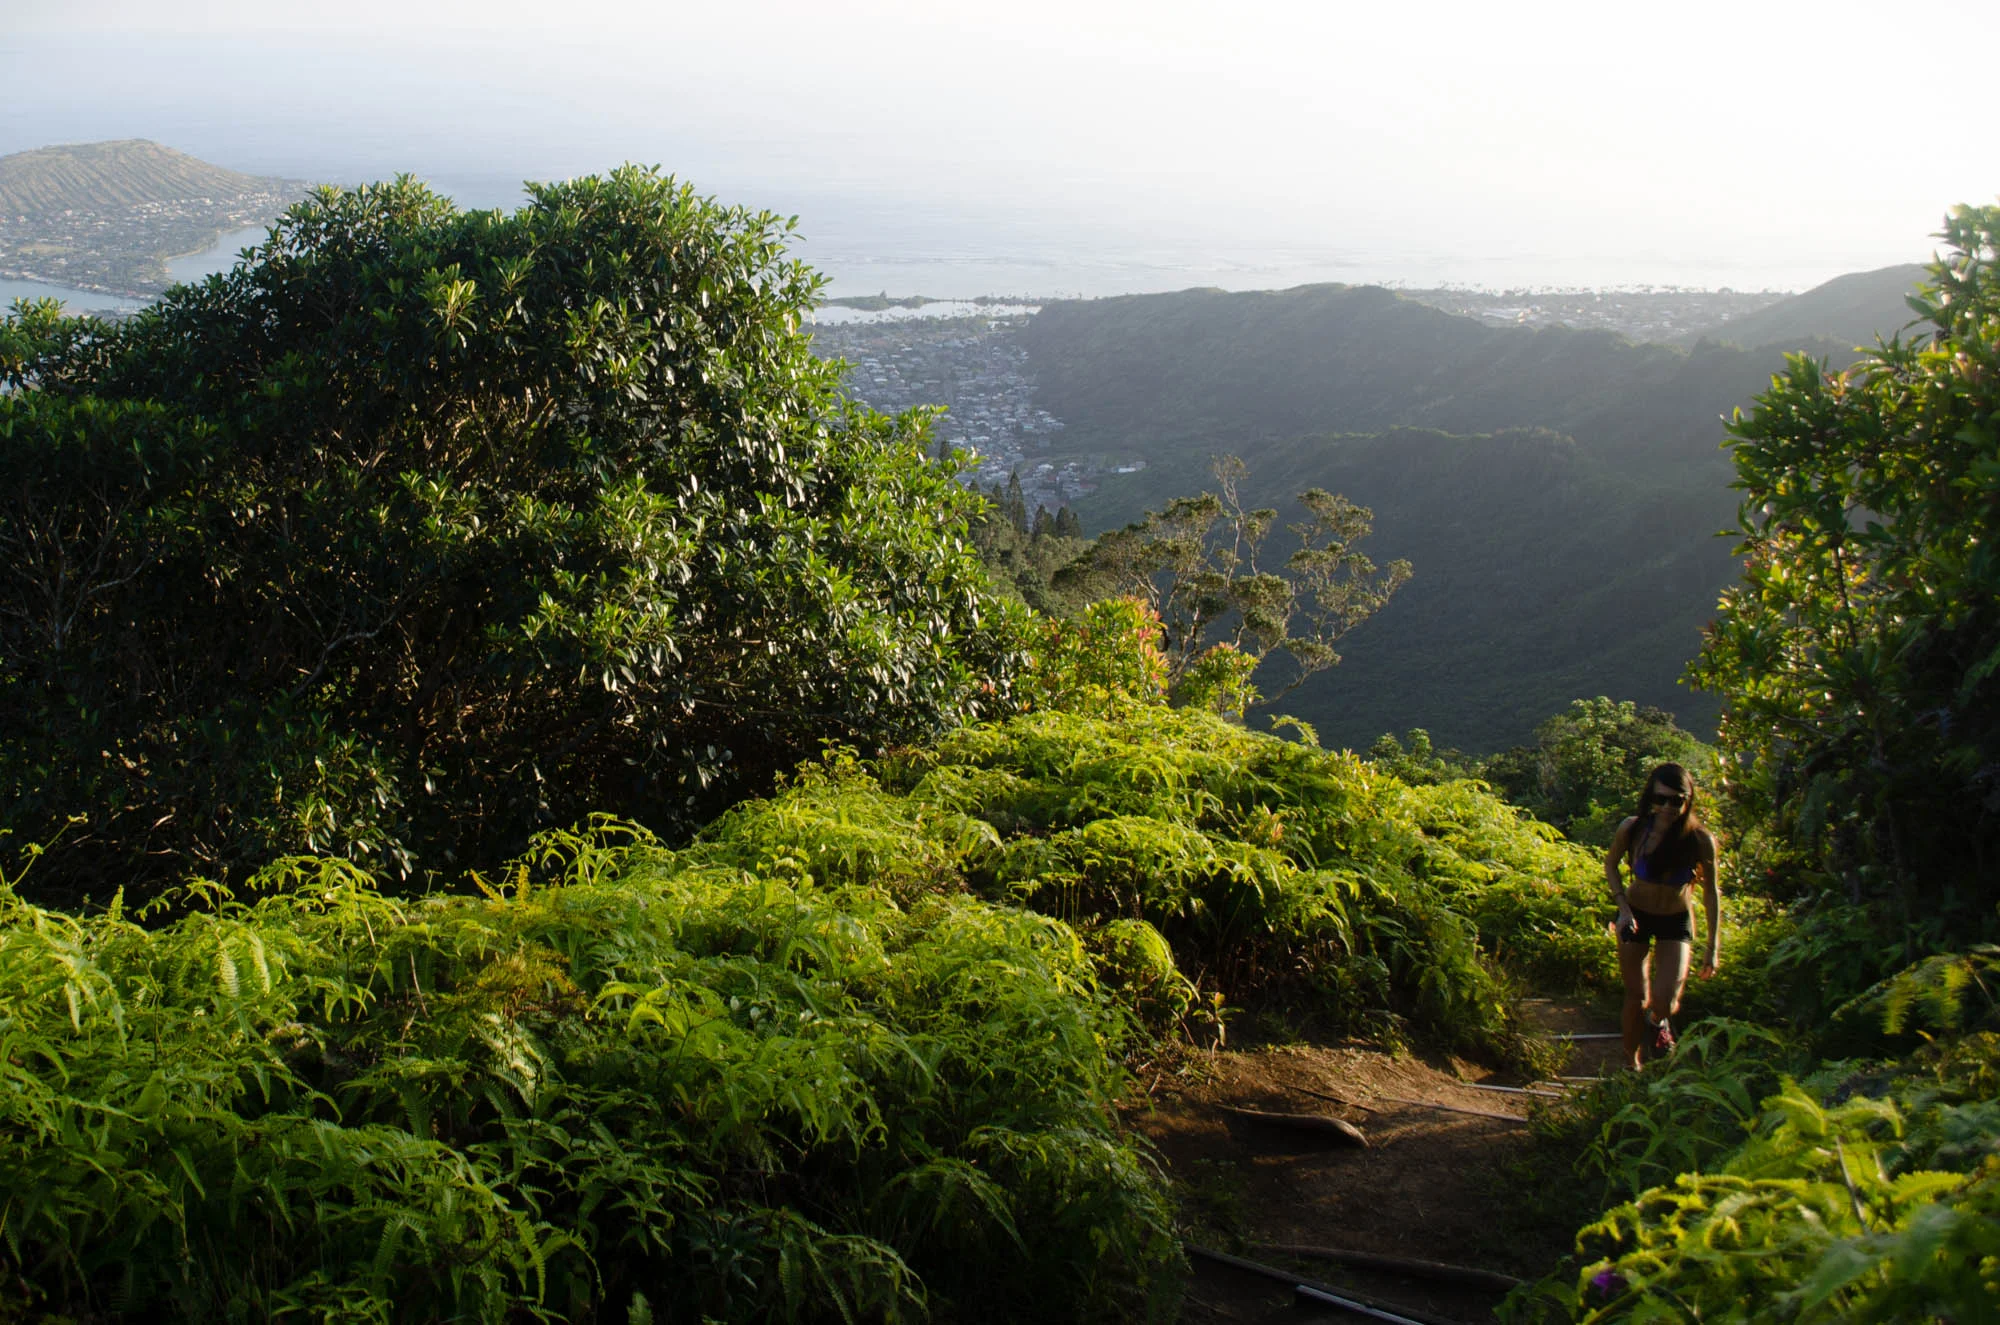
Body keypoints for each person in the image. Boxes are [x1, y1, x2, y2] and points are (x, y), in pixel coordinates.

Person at [1603, 762, 1719, 1069]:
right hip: (1636, 914)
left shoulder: (1699, 840)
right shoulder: (1633, 829)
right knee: (1635, 995)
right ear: (1650, 798)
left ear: (1688, 800)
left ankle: (1658, 1022)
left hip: (1675, 919)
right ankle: (1632, 1063)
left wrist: (1712, 947)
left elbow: (1711, 892)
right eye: (1661, 799)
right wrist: (1623, 908)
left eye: (1676, 800)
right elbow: (1611, 865)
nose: (1668, 807)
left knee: (1666, 1000)